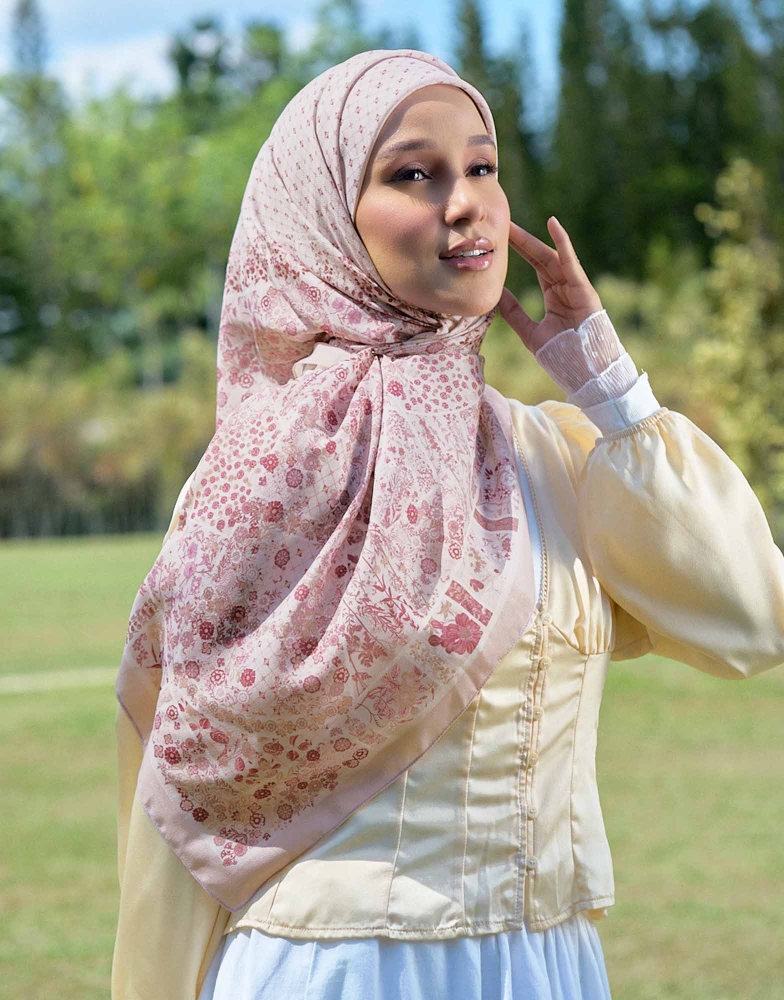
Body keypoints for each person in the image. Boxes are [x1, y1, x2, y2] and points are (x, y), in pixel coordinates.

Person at [111, 49, 784, 1000]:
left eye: (481, 166)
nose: (466, 204)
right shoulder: (261, 473)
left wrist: (610, 386)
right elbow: (191, 770)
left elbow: (752, 623)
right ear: (325, 218)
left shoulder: (554, 457)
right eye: (413, 175)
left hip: (542, 963)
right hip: (334, 966)